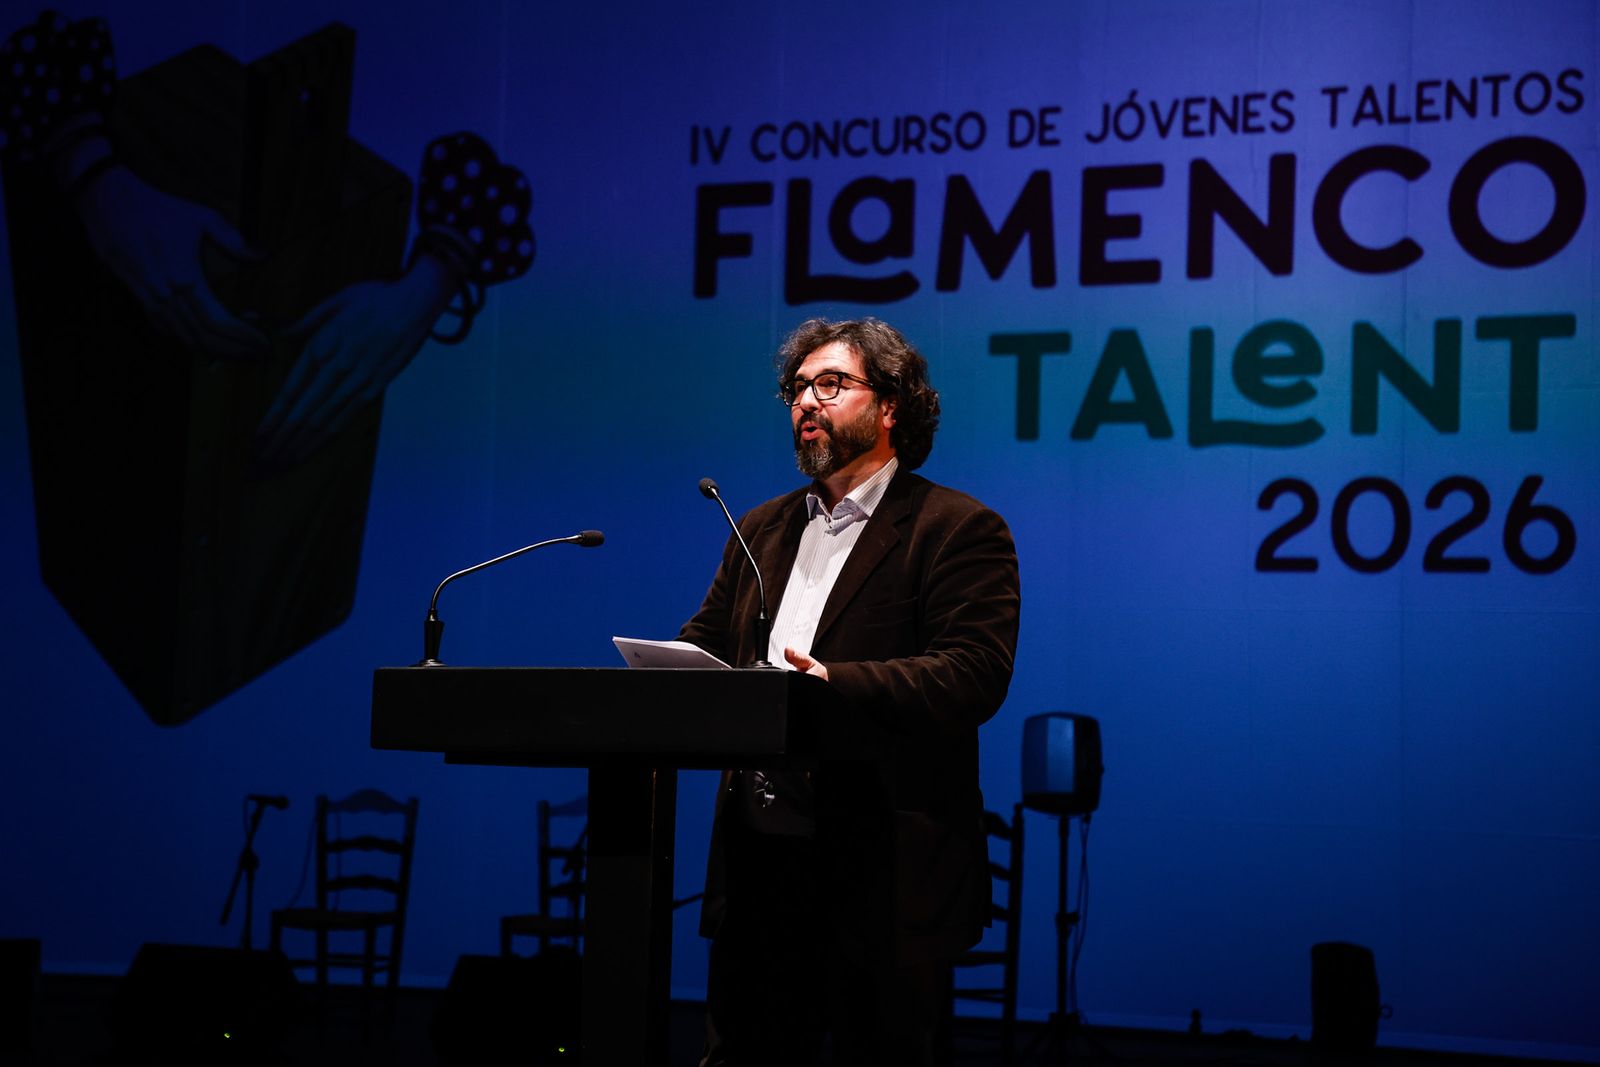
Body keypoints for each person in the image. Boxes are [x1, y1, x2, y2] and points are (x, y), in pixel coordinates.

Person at [678, 318, 1022, 1065]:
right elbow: (707, 644)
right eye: (796, 388)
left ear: (892, 404)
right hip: (759, 870)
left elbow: (973, 672)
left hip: (882, 876)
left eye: (830, 384)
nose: (807, 400)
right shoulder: (762, 527)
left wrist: (835, 683)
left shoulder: (955, 528)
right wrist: (664, 674)